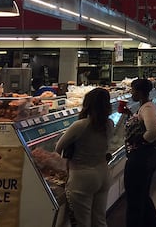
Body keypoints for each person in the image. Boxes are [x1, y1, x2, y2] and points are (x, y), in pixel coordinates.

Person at [55, 87, 113, 227]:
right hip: (103, 174)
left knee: (82, 222)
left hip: (82, 177)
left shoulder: (80, 125)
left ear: (88, 104)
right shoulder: (109, 124)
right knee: (99, 220)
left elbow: (58, 147)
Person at [124, 78, 156, 227]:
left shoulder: (147, 108)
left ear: (139, 92)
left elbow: (153, 130)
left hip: (141, 158)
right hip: (145, 157)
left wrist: (140, 141)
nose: (131, 93)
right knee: (142, 197)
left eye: (133, 90)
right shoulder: (145, 107)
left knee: (135, 199)